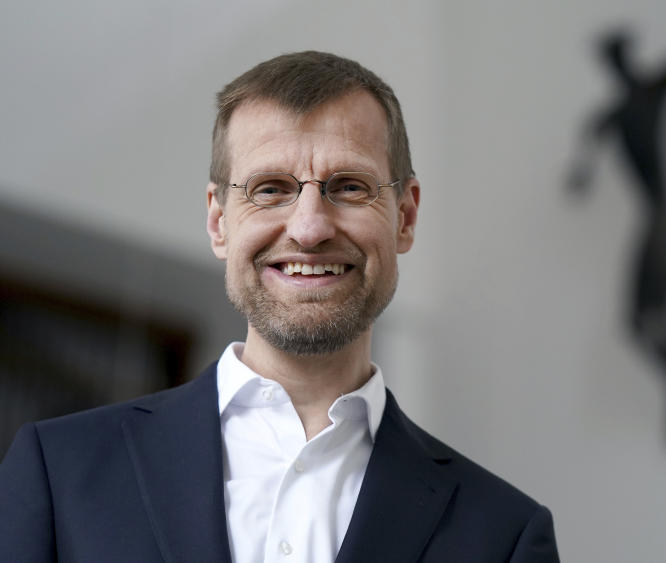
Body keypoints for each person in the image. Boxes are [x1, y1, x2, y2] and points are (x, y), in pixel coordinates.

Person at [0, 51, 560, 562]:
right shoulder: (57, 472)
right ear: (219, 221)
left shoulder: (504, 535)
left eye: (348, 186)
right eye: (269, 188)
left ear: (405, 217)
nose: (310, 227)